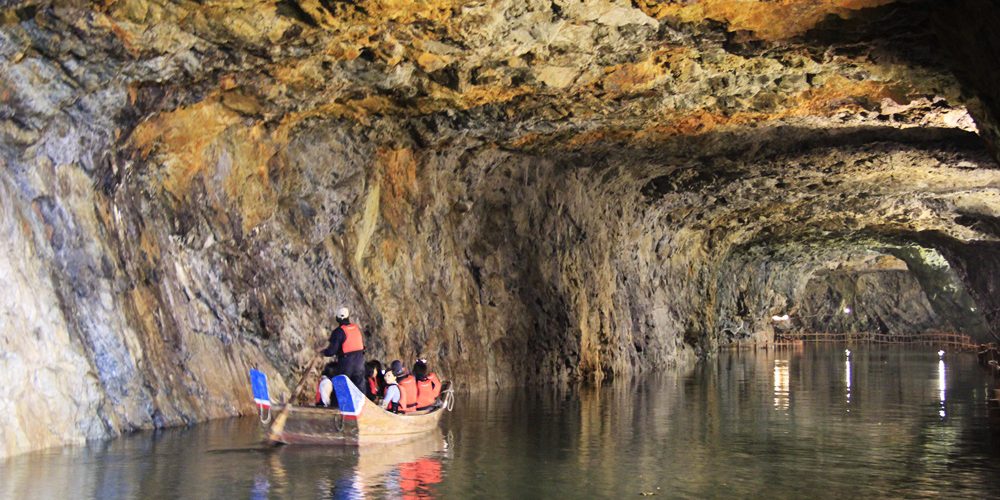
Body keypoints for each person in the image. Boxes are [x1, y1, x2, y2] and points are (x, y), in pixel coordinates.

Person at [318, 306, 366, 391]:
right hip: (360, 361)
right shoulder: (356, 328)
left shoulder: (339, 331)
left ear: (337, 318)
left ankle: (341, 404)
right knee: (359, 387)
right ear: (348, 317)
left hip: (347, 362)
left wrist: (322, 352)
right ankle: (361, 403)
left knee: (343, 386)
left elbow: (332, 351)